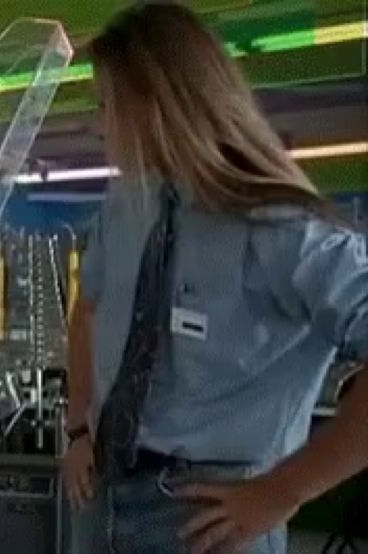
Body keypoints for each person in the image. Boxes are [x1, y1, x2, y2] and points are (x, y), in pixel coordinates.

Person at [60, 3, 367, 554]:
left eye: (108, 106)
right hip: (102, 501)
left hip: (211, 517)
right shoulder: (126, 208)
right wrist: (80, 428)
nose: (99, 124)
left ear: (156, 107)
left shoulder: (281, 229)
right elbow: (90, 306)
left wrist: (284, 491)